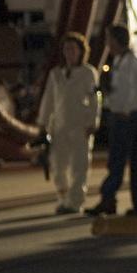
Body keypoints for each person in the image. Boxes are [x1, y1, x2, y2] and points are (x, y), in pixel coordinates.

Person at [85, 25, 137, 216]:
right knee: (115, 161)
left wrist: (127, 111)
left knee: (121, 160)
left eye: (109, 39)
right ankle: (109, 199)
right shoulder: (120, 61)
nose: (107, 44)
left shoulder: (132, 62)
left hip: (126, 118)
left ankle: (110, 198)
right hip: (118, 115)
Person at [37, 32, 101, 214]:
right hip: (59, 126)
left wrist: (93, 121)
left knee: (79, 166)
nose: (70, 53)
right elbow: (49, 99)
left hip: (80, 125)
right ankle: (63, 198)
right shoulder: (56, 74)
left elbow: (96, 99)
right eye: (67, 49)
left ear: (81, 52)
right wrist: (43, 124)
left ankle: (75, 202)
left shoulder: (89, 73)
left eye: (73, 49)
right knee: (58, 166)